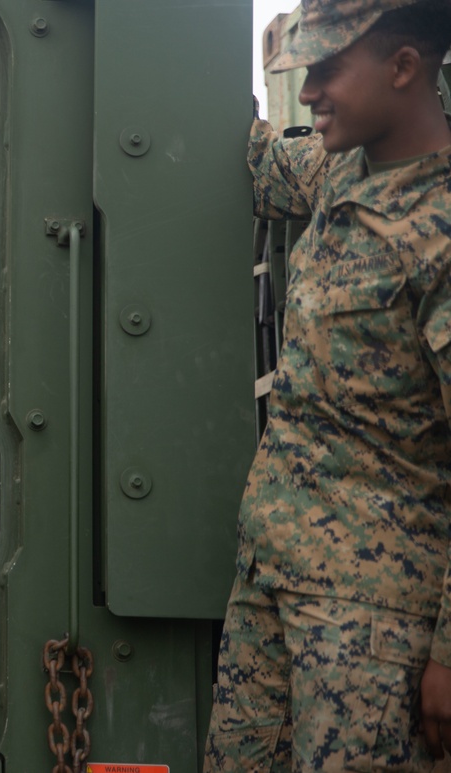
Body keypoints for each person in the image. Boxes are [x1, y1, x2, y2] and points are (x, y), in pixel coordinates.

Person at [204, 0, 451, 769]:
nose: (307, 91)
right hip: (270, 578)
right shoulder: (340, 167)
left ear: (404, 68)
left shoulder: (440, 230)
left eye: (326, 70)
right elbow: (260, 156)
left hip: (371, 622)